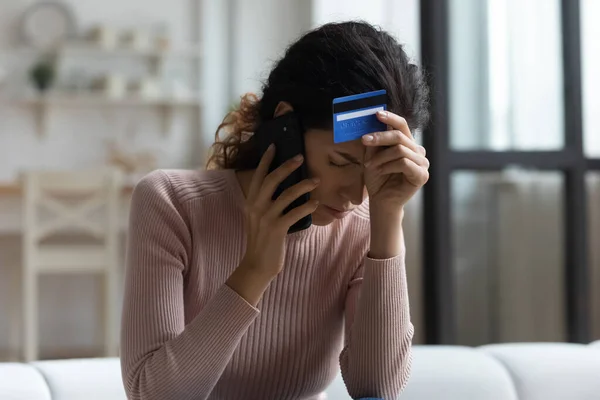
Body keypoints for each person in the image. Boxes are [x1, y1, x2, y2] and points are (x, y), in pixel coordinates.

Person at [120, 21, 430, 400]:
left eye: (373, 172)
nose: (356, 196)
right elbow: (153, 394)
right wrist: (255, 271)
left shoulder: (364, 224)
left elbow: (377, 389)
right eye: (341, 162)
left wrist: (387, 221)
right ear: (286, 124)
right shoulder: (171, 204)